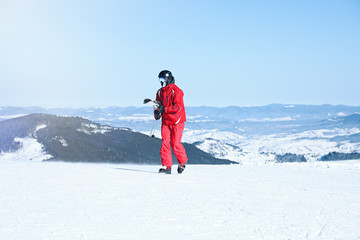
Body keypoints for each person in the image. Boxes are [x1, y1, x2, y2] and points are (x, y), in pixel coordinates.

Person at [154, 70, 188, 174]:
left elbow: (177, 107)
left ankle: (182, 162)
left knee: (175, 143)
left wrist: (164, 109)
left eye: (163, 79)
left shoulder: (176, 91)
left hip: (177, 121)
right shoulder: (160, 92)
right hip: (166, 121)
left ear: (168, 79)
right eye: (160, 79)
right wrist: (156, 113)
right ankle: (166, 166)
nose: (161, 82)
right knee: (164, 143)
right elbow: (157, 105)